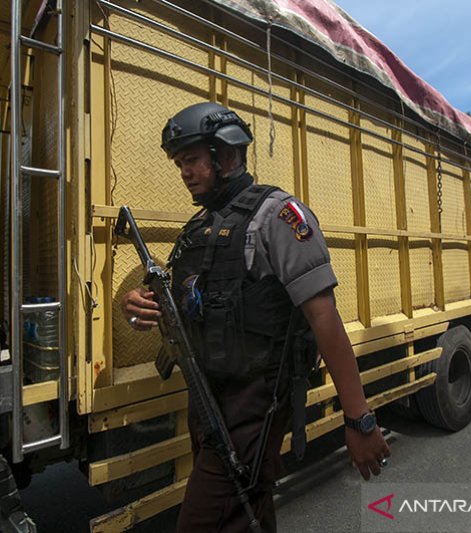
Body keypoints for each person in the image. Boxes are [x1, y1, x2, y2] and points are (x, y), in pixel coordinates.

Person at [120, 102, 390, 532]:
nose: (184, 172)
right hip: (208, 397)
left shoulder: (277, 216)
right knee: (248, 509)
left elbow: (324, 317)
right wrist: (136, 304)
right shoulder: (200, 229)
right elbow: (180, 302)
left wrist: (358, 419)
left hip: (255, 401)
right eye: (179, 163)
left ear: (226, 155)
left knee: (205, 521)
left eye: (191, 159)